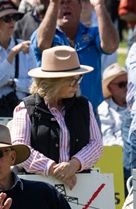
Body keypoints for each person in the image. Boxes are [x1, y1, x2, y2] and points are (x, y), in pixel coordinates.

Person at [9, 46, 102, 188]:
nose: (76, 85)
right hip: (35, 187)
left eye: (79, 79)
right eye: (72, 81)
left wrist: (74, 164)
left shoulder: (84, 105)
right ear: (54, 82)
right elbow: (21, 149)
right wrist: (52, 169)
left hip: (79, 186)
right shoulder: (25, 108)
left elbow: (96, 145)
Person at [33, 0, 120, 106]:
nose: (65, 6)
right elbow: (43, 44)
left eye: (70, 1)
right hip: (53, 111)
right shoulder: (43, 34)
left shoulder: (93, 33)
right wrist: (53, 2)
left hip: (89, 112)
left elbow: (111, 46)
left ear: (80, 7)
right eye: (60, 2)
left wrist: (98, 6)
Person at [0, 0, 36, 117]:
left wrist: (12, 82)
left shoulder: (26, 46)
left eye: (14, 18)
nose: (12, 22)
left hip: (22, 111)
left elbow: (34, 84)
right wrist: (13, 53)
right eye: (7, 19)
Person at [98, 63, 129, 147]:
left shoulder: (133, 103)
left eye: (128, 83)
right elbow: (107, 140)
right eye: (122, 84)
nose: (127, 88)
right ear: (110, 88)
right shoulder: (104, 109)